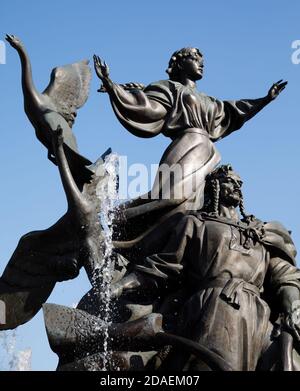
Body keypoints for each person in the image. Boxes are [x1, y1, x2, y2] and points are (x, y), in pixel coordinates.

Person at [113, 164, 300, 370]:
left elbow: (285, 276)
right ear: (214, 186)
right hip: (215, 306)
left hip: (258, 315)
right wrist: (120, 285)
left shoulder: (260, 234)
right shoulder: (195, 223)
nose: (237, 186)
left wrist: (293, 306)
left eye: (240, 183)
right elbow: (163, 266)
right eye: (230, 181)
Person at [93, 48, 287, 242]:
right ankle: (120, 220)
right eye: (195, 58)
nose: (201, 63)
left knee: (198, 209)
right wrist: (111, 85)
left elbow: (234, 112)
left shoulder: (210, 101)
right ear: (179, 64)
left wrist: (265, 100)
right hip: (185, 145)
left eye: (202, 60)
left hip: (207, 152)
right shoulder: (169, 88)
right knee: (173, 198)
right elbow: (147, 109)